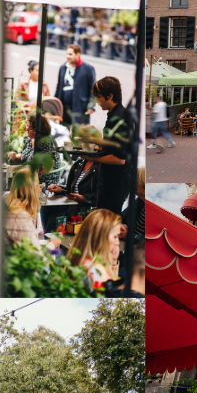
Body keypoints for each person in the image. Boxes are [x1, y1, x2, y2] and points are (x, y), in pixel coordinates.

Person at [88, 77, 131, 215]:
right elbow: (112, 144)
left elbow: (119, 158)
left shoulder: (121, 117)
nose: (96, 101)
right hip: (109, 180)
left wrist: (91, 158)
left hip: (115, 183)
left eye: (98, 97)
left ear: (110, 96)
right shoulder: (114, 114)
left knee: (106, 221)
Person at [68, 208, 122, 288]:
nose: (118, 242)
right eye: (115, 236)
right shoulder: (96, 272)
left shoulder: (83, 259)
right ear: (100, 237)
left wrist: (113, 262)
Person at [5, 169, 53, 246]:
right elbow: (36, 255)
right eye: (38, 185)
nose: (39, 188)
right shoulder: (21, 216)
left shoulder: (8, 202)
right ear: (33, 189)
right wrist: (53, 244)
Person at [56, 45, 96, 126]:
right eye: (67, 54)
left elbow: (93, 89)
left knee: (78, 136)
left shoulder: (88, 68)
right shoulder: (63, 68)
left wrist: (91, 106)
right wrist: (55, 104)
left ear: (78, 54)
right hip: (64, 109)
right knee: (63, 134)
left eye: (70, 54)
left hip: (80, 108)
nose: (68, 56)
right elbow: (59, 87)